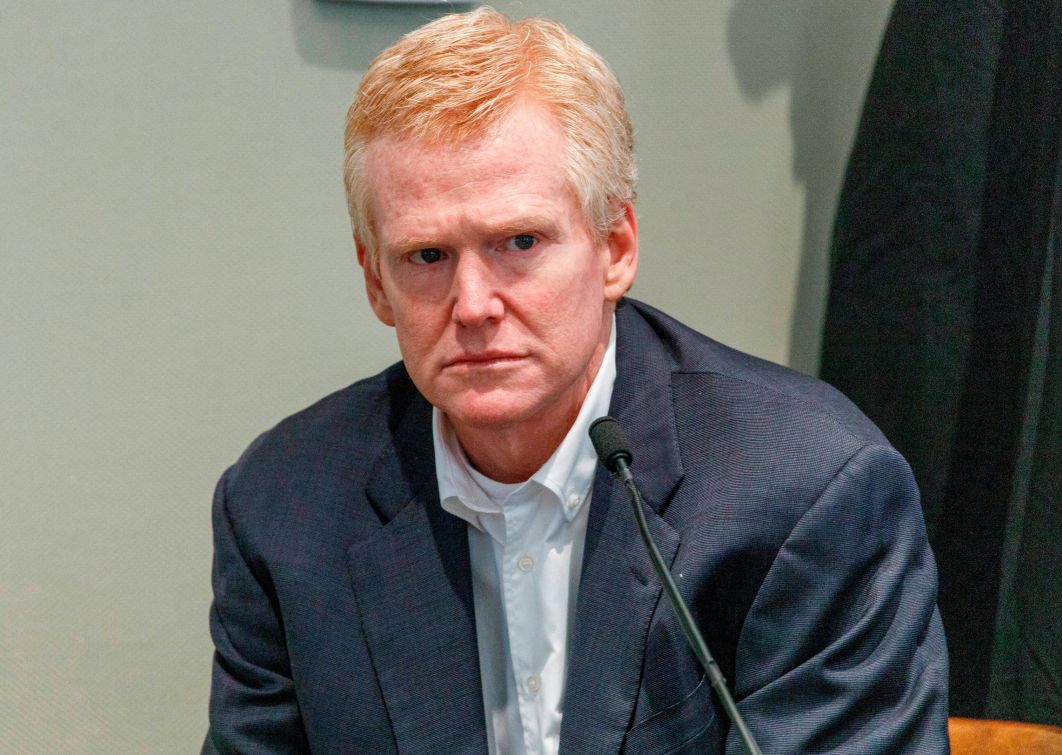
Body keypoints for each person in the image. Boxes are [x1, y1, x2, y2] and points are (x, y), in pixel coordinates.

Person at [204, 7, 948, 754]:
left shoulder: (809, 495)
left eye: (518, 242)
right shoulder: (282, 510)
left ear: (615, 248)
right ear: (375, 282)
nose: (472, 306)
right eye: (427, 257)